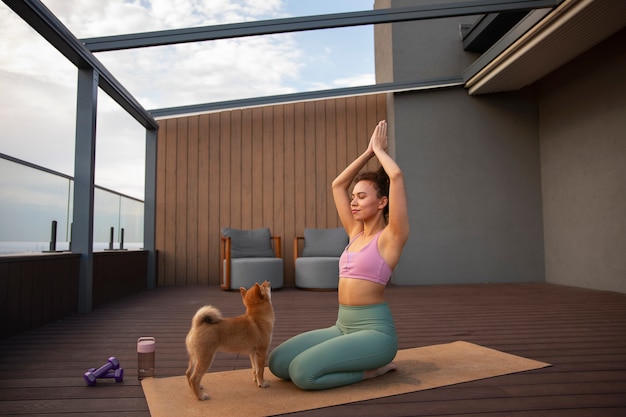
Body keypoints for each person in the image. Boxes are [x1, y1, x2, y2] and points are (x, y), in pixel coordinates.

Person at [268, 120, 409, 390]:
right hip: (343, 326)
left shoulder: (392, 237)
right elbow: (337, 185)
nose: (353, 202)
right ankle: (353, 362)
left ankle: (373, 372)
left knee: (301, 374)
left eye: (361, 197)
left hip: (375, 333)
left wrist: (380, 151)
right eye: (353, 197)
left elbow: (397, 177)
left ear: (382, 202)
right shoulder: (355, 232)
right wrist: (368, 152)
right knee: (277, 363)